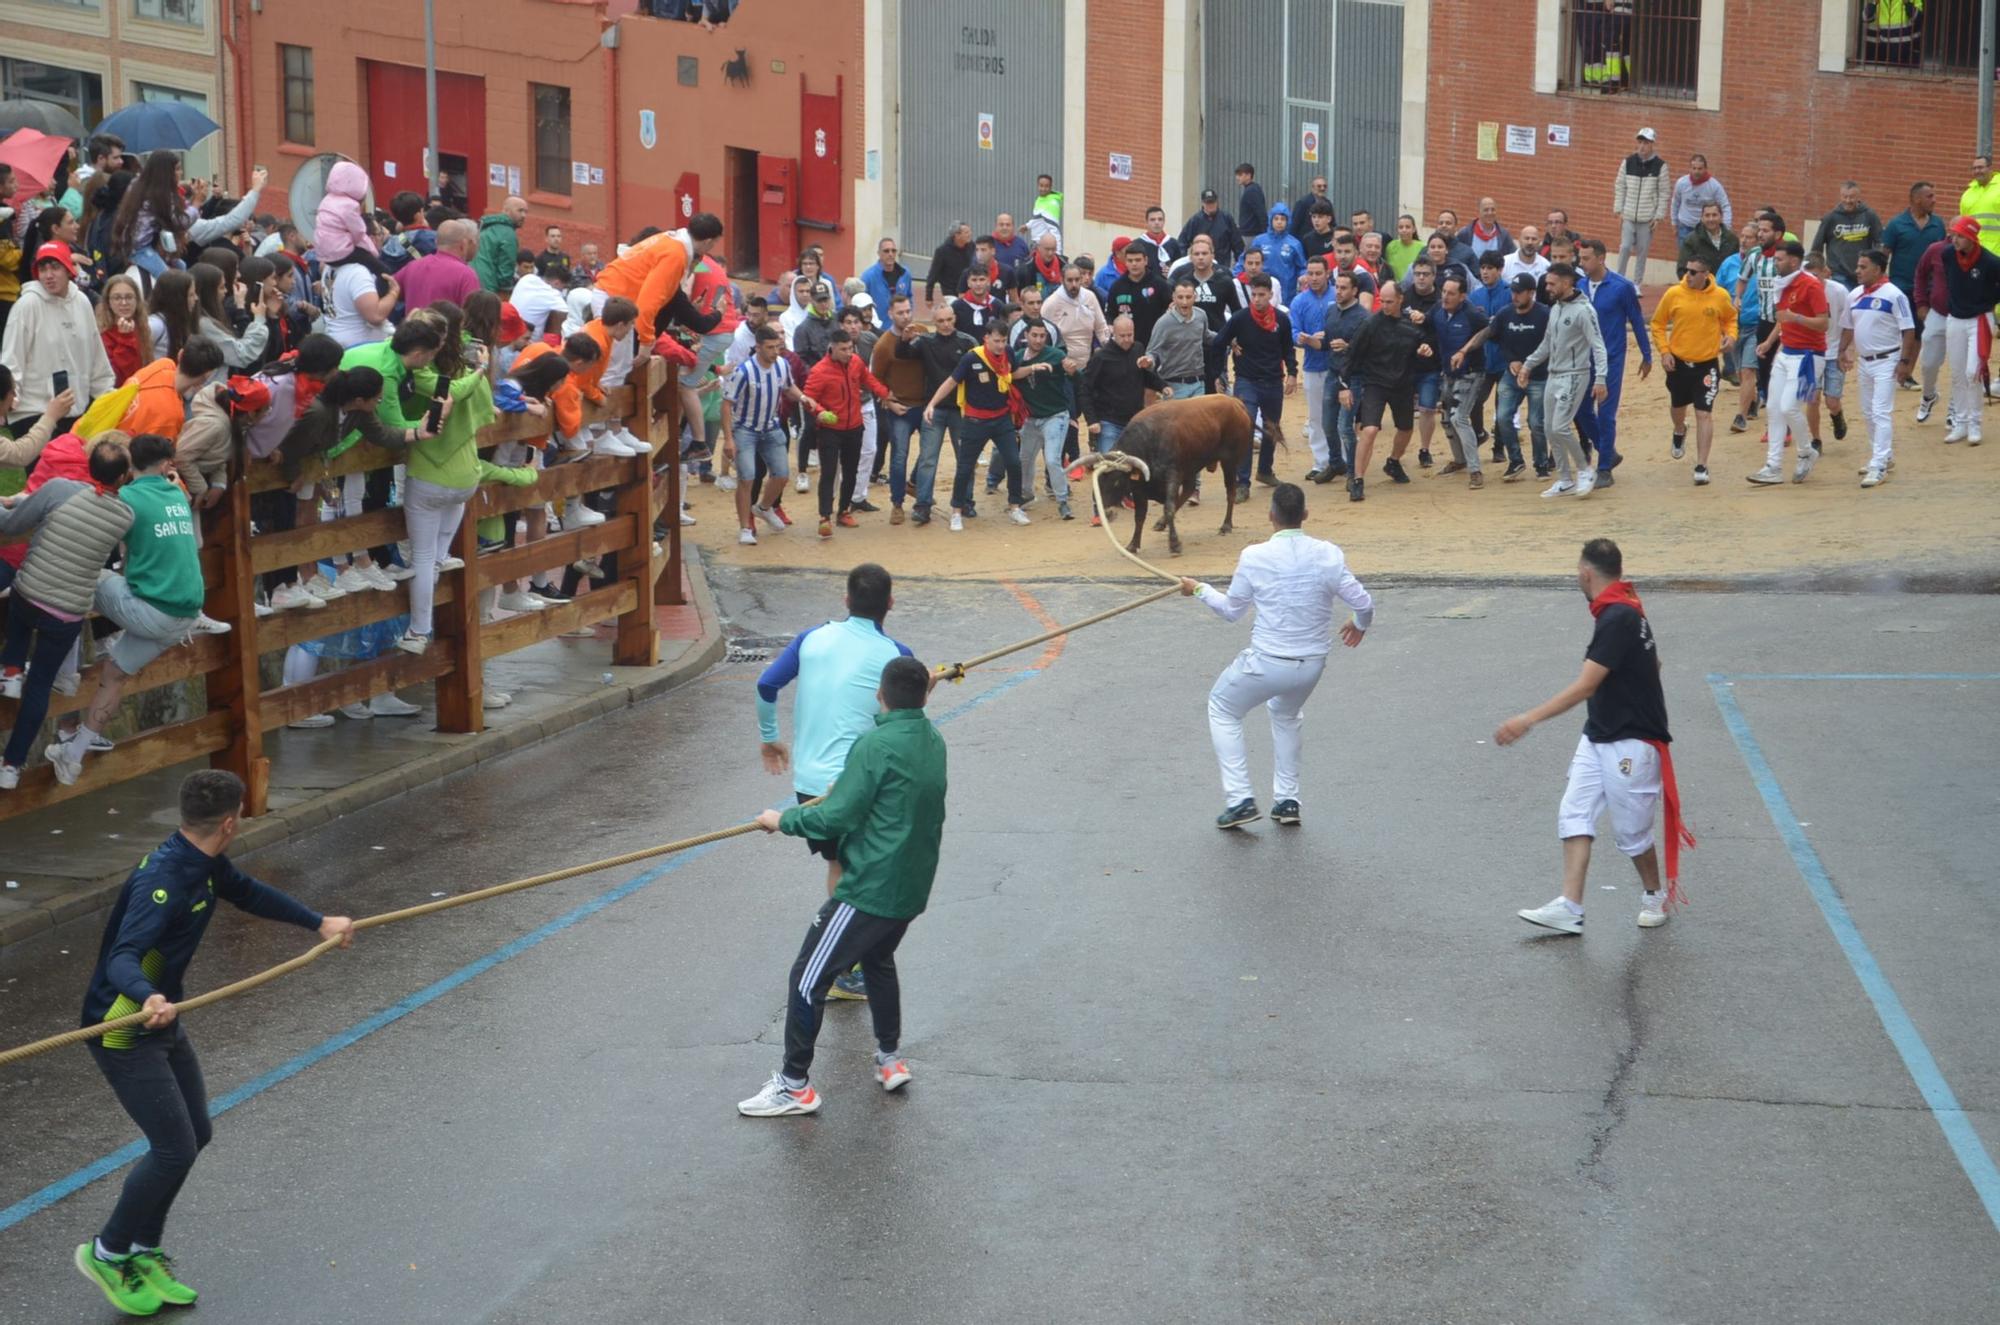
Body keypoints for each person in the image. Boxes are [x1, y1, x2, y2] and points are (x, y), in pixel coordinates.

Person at [69, 770, 355, 1313]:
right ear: (230, 822)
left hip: (160, 1017)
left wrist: (319, 922)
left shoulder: (203, 863)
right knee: (172, 1147)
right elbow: (122, 957)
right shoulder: (167, 880)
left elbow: (248, 892)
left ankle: (142, 1251)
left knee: (194, 1134)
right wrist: (147, 998)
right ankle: (106, 1253)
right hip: (125, 1025)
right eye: (242, 816)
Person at [742, 653, 946, 1117]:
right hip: (911, 888)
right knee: (877, 960)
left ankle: (794, 1085)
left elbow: (839, 816)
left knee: (807, 976)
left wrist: (784, 819)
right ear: (925, 695)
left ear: (879, 695)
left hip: (872, 887)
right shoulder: (932, 739)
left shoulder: (874, 745)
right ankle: (889, 1057)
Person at [1498, 539, 1693, 935]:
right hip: (1599, 734)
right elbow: (1654, 662)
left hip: (1632, 742)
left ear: (1587, 573)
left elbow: (1586, 686)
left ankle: (1654, 894)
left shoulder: (1618, 616)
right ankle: (1569, 907)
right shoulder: (1626, 608)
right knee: (1574, 813)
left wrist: (1528, 719)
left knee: (1632, 834)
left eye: (1577, 572)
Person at [754, 564, 916, 1006]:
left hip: (809, 782)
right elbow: (898, 715)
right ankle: (843, 964)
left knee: (842, 865)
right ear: (890, 604)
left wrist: (770, 739)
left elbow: (767, 684)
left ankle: (846, 964)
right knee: (865, 872)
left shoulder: (810, 638)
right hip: (856, 783)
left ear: (845, 601)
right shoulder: (896, 653)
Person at [1180, 482, 1372, 830]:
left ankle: (1239, 800)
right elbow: (1364, 604)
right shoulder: (1328, 553)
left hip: (1268, 662)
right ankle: (1287, 800)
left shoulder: (1254, 556)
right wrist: (1359, 624)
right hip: (1311, 665)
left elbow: (1231, 612)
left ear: (1271, 516)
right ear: (1306, 515)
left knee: (1222, 708)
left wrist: (1199, 590)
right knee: (1285, 713)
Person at [0, 437, 134, 789]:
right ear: (123, 477)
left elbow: (11, 526)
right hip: (67, 614)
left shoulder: (60, 489)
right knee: (41, 686)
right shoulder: (125, 515)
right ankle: (11, 766)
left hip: (29, 593)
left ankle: (11, 671)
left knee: (18, 612)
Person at [1, 243, 116, 435]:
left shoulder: (82, 302)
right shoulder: (27, 305)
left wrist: (107, 394)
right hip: (34, 412)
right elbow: (12, 358)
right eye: (43, 268)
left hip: (75, 411)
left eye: (55, 267)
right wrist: (9, 400)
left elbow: (96, 355)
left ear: (68, 269)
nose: (48, 275)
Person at [1517, 262, 1608, 498]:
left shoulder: (1584, 310)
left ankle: (1586, 469)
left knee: (1559, 426)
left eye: (1551, 283)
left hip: (1575, 375)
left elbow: (1598, 347)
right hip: (1554, 374)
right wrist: (1528, 365)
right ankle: (1565, 479)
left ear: (1566, 283)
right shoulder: (1556, 308)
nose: (1546, 287)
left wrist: (1601, 378)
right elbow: (1547, 343)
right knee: (1549, 428)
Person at [922, 322, 1025, 531]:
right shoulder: (971, 358)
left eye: (1004, 341)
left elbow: (1013, 375)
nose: (1000, 345)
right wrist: (932, 404)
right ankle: (956, 511)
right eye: (996, 341)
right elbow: (951, 382)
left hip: (1002, 419)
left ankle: (1015, 506)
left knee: (1014, 462)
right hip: (975, 421)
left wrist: (1033, 369)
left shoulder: (1008, 354)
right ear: (986, 338)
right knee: (965, 468)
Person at [1337, 280, 1434, 501]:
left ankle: (1393, 461)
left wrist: (1425, 348)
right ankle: (1358, 480)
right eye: (1383, 301)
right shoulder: (1371, 325)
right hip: (1376, 384)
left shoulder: (1412, 324)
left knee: (1406, 429)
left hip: (1402, 384)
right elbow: (1351, 355)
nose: (1385, 306)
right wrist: (1344, 386)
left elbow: (1424, 345)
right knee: (1369, 430)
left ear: (1400, 300)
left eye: (1390, 302)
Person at [1746, 240, 1829, 482]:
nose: (1775, 264)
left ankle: (1806, 451)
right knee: (1773, 408)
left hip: (1809, 356)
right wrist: (1771, 342)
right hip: (1786, 353)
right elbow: (1783, 320)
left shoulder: (1811, 286)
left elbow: (1824, 323)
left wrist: (1796, 317)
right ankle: (1773, 465)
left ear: (1793, 261)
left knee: (1789, 407)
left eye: (1779, 260)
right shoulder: (1783, 284)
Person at [1650, 255, 1737, 484]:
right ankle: (1679, 429)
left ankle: (1702, 465)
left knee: (1704, 412)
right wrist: (1665, 351)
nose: (1687, 275)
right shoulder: (1673, 294)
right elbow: (1658, 324)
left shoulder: (1720, 296)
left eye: (1693, 272)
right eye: (1686, 270)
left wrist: (1731, 336)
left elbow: (1730, 319)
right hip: (1677, 363)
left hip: (1707, 365)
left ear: (1705, 274)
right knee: (1678, 407)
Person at [802, 330, 898, 538]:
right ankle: (825, 516)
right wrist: (820, 412)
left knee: (851, 471)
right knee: (829, 473)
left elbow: (869, 380)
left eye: (850, 348)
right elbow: (808, 399)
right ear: (832, 348)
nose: (848, 353)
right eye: (843, 349)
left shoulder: (856, 362)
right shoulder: (819, 371)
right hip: (830, 430)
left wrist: (885, 395)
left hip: (854, 426)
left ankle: (844, 510)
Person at [1574, 237, 1652, 485]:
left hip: (1612, 358)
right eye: (1581, 258)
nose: (1582, 262)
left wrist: (1646, 354)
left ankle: (1605, 468)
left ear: (1601, 258)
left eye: (1586, 258)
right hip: (1585, 359)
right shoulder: (1579, 285)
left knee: (1606, 413)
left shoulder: (1622, 287)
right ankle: (1607, 450)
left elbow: (1637, 321)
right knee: (1582, 410)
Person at [1838, 247, 1918, 487]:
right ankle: (1881, 455)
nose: (1858, 271)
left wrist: (1905, 363)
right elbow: (1848, 327)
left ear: (1878, 269)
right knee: (1868, 411)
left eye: (1863, 267)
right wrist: (1842, 351)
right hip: (1865, 361)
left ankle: (1879, 464)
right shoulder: (1854, 295)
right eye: (1858, 266)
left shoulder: (1895, 295)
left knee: (1881, 411)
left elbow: (1909, 329)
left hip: (1888, 361)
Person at [1215, 274, 1298, 496]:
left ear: (1271, 295)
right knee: (1246, 428)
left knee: (1272, 427)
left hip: (1272, 380)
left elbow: (1288, 348)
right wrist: (1217, 372)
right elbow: (1218, 342)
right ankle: (1243, 483)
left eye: (1262, 295)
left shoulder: (1281, 319)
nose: (1258, 299)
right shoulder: (1240, 318)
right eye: (1254, 295)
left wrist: (1292, 373)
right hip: (1246, 380)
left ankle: (1264, 470)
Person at [1936, 216, 2000, 445]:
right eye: (1954, 234)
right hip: (1955, 319)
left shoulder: (1991, 262)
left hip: (1979, 320)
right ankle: (1960, 423)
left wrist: (1987, 302)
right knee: (1956, 374)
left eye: (1961, 235)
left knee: (1973, 373)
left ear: (1972, 238)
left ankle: (1975, 424)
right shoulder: (1947, 255)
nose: (1955, 239)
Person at [1433, 273, 1492, 489]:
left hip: (1472, 372)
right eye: (1444, 292)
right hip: (1448, 372)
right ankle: (1460, 460)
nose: (1445, 297)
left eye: (1451, 293)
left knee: (1460, 418)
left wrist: (1466, 349)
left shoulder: (1472, 314)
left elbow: (1488, 330)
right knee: (1447, 419)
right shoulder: (1438, 312)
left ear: (1462, 296)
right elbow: (1428, 327)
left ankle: (1475, 470)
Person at [1881, 182, 1943, 389]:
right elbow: (1884, 255)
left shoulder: (1938, 225)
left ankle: (1906, 375)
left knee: (1918, 332)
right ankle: (1889, 370)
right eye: (1930, 196)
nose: (1934, 200)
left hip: (1926, 290)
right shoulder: (1896, 224)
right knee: (1896, 332)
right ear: (1917, 199)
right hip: (1900, 287)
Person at [1491, 273, 1549, 481]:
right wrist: (1511, 360)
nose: (1514, 296)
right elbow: (1497, 339)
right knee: (1503, 417)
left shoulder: (1544, 315)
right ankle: (1516, 460)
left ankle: (1541, 463)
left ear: (1531, 293)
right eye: (1513, 291)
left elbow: (1550, 344)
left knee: (1536, 422)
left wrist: (1530, 365)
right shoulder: (1505, 314)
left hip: (1539, 376)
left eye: (1519, 292)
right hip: (1512, 374)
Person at [1612, 128, 1668, 287]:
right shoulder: (1628, 162)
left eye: (1646, 142)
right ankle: (1619, 280)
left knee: (1642, 252)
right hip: (1628, 215)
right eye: (1640, 142)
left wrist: (1658, 216)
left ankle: (1637, 284)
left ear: (1652, 144)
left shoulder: (1661, 166)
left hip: (1647, 218)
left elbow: (1664, 192)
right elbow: (1620, 186)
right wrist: (1619, 210)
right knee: (1625, 247)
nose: (1642, 146)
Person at [1812, 182, 1883, 286]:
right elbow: (1816, 246)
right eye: (1845, 197)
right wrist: (1820, 267)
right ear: (1840, 196)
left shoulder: (1869, 215)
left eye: (1852, 197)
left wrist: (1875, 264)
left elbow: (1879, 241)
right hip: (1838, 273)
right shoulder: (1831, 217)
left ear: (1858, 197)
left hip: (1863, 272)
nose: (1848, 201)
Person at [1247, 203, 1307, 302]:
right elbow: (1245, 260)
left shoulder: (1295, 244)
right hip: (1262, 290)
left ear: (1288, 221)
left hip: (1287, 294)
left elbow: (1302, 267)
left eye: (1283, 219)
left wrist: (1303, 276)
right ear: (1271, 220)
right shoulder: (1259, 241)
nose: (1279, 222)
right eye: (1276, 219)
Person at [1669, 154, 1731, 241]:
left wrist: (1726, 227)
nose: (1696, 171)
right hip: (1684, 227)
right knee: (1685, 255)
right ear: (1689, 168)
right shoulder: (1681, 183)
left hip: (1705, 229)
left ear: (1705, 169)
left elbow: (1725, 205)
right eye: (1694, 168)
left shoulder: (1714, 185)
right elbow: (1675, 203)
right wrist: (1674, 223)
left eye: (1700, 169)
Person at [473, 195, 527, 293]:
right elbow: (505, 271)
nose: (524, 215)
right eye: (520, 211)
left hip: (472, 280)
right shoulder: (508, 234)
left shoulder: (485, 227)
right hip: (488, 288)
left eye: (525, 212)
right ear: (506, 211)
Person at [1179, 188, 1243, 266]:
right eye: (1208, 203)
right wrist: (1185, 262)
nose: (1211, 205)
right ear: (1203, 203)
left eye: (1213, 202)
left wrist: (1240, 264)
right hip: (1200, 266)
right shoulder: (1195, 220)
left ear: (1217, 202)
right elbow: (1182, 242)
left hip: (1222, 265)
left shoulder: (1226, 218)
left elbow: (1237, 243)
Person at [858, 238, 912, 329]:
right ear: (879, 253)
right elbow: (862, 304)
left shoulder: (905, 274)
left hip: (902, 328)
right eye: (886, 251)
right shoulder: (868, 277)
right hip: (879, 329)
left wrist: (908, 317)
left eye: (893, 251)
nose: (890, 254)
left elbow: (909, 297)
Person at [1677, 201, 1733, 278]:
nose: (1711, 219)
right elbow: (1682, 269)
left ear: (1721, 217)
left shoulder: (1732, 239)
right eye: (1707, 215)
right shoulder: (1691, 240)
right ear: (1702, 218)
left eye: (1714, 215)